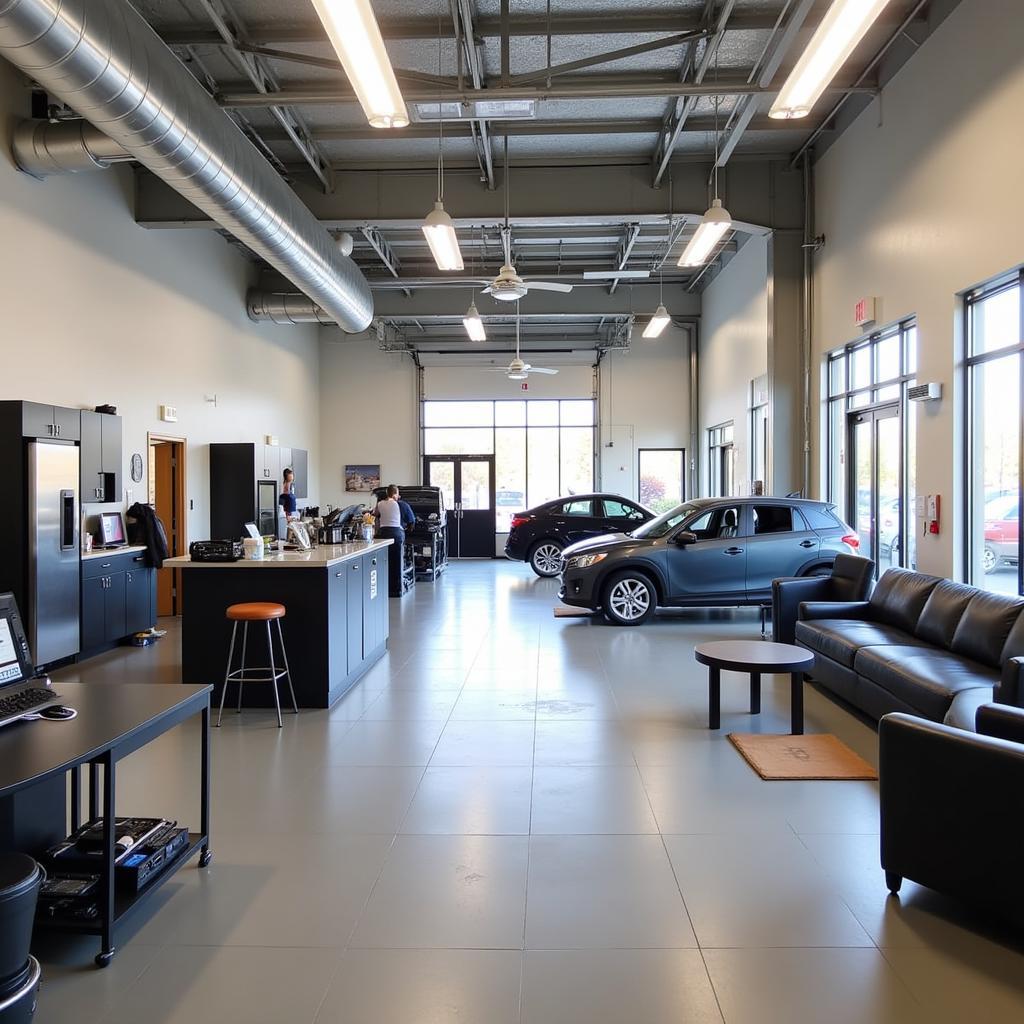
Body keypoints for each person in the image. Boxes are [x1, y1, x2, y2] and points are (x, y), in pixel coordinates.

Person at [375, 485, 408, 595]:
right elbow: (409, 519)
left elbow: (375, 515)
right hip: (396, 534)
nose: (399, 496)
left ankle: (385, 587)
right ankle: (396, 589)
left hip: (383, 534)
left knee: (384, 561)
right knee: (397, 561)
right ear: (395, 494)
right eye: (398, 494)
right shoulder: (400, 504)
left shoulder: (379, 504)